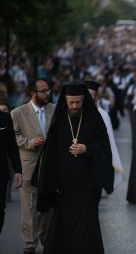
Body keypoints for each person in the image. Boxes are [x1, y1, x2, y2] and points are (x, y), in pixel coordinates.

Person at [33, 81, 113, 254]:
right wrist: (51, 183)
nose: (75, 106)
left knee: (86, 226)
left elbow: (105, 148)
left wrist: (87, 149)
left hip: (86, 184)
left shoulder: (93, 119)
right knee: (62, 225)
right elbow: (50, 154)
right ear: (65, 100)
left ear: (84, 100)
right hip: (64, 186)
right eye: (71, 102)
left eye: (78, 101)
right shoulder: (60, 121)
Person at [10, 79, 55, 253]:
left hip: (49, 166)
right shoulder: (18, 113)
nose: (47, 93)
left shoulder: (54, 109)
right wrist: (30, 142)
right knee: (29, 206)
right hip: (29, 165)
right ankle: (29, 243)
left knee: (46, 205)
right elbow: (13, 137)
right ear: (33, 93)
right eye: (43, 91)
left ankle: (45, 237)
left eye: (48, 90)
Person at [86, 80, 124, 191]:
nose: (91, 97)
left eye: (93, 95)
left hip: (97, 158)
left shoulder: (103, 114)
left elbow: (109, 141)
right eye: (89, 94)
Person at [0, 110, 22, 234]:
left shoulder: (5, 118)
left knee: (0, 211)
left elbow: (12, 146)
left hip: (1, 174)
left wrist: (18, 171)